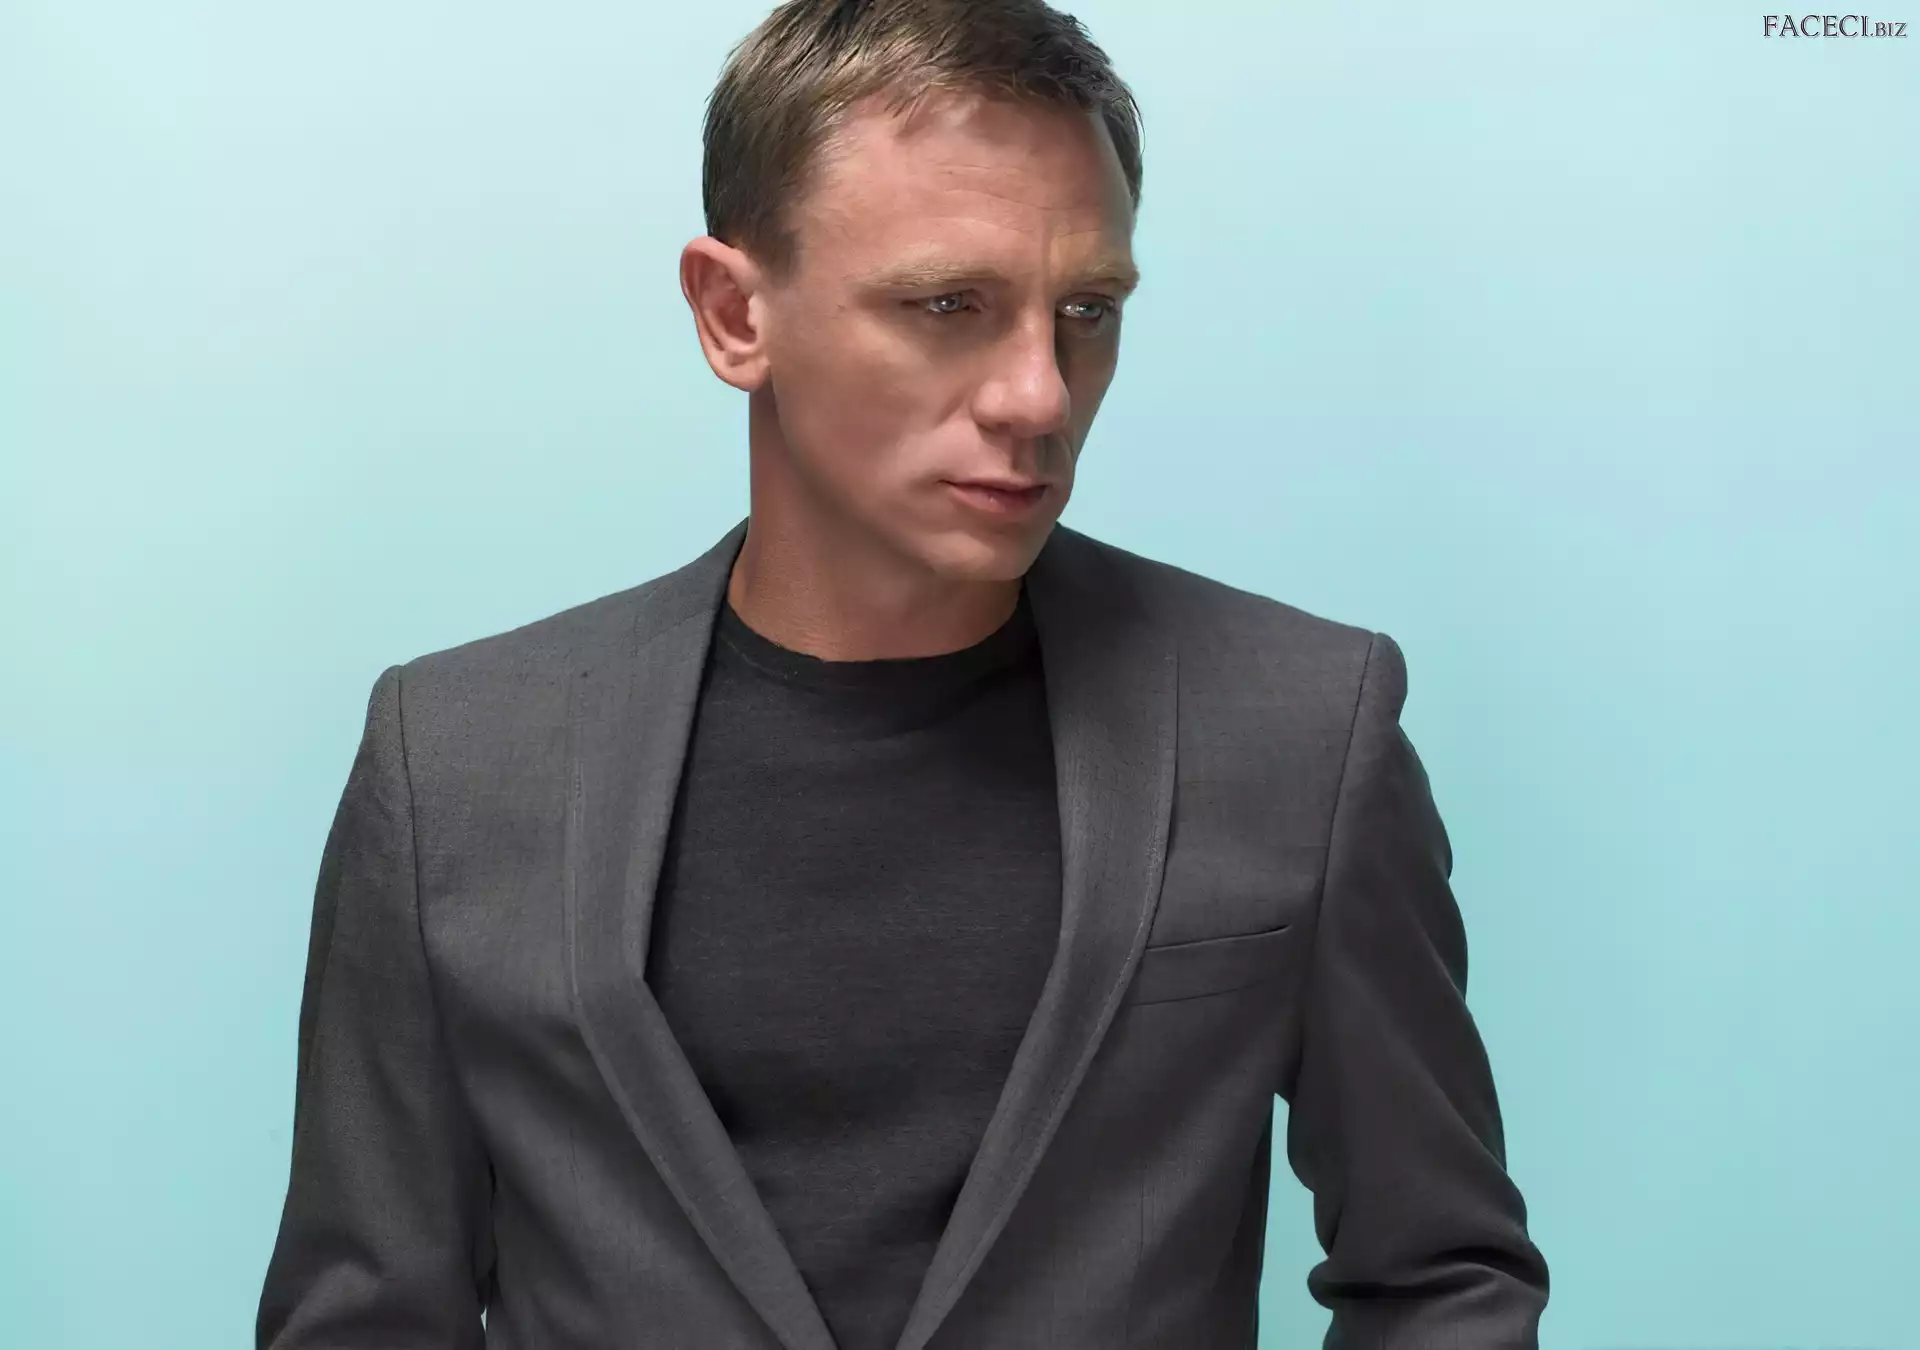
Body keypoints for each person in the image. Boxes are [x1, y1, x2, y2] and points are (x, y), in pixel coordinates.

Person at [255, 1, 1551, 1347]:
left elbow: (1440, 1278)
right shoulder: (457, 765)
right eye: (949, 305)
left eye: (1087, 311)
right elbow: (364, 1319)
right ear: (733, 314)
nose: (1039, 396)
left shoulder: (1300, 732)